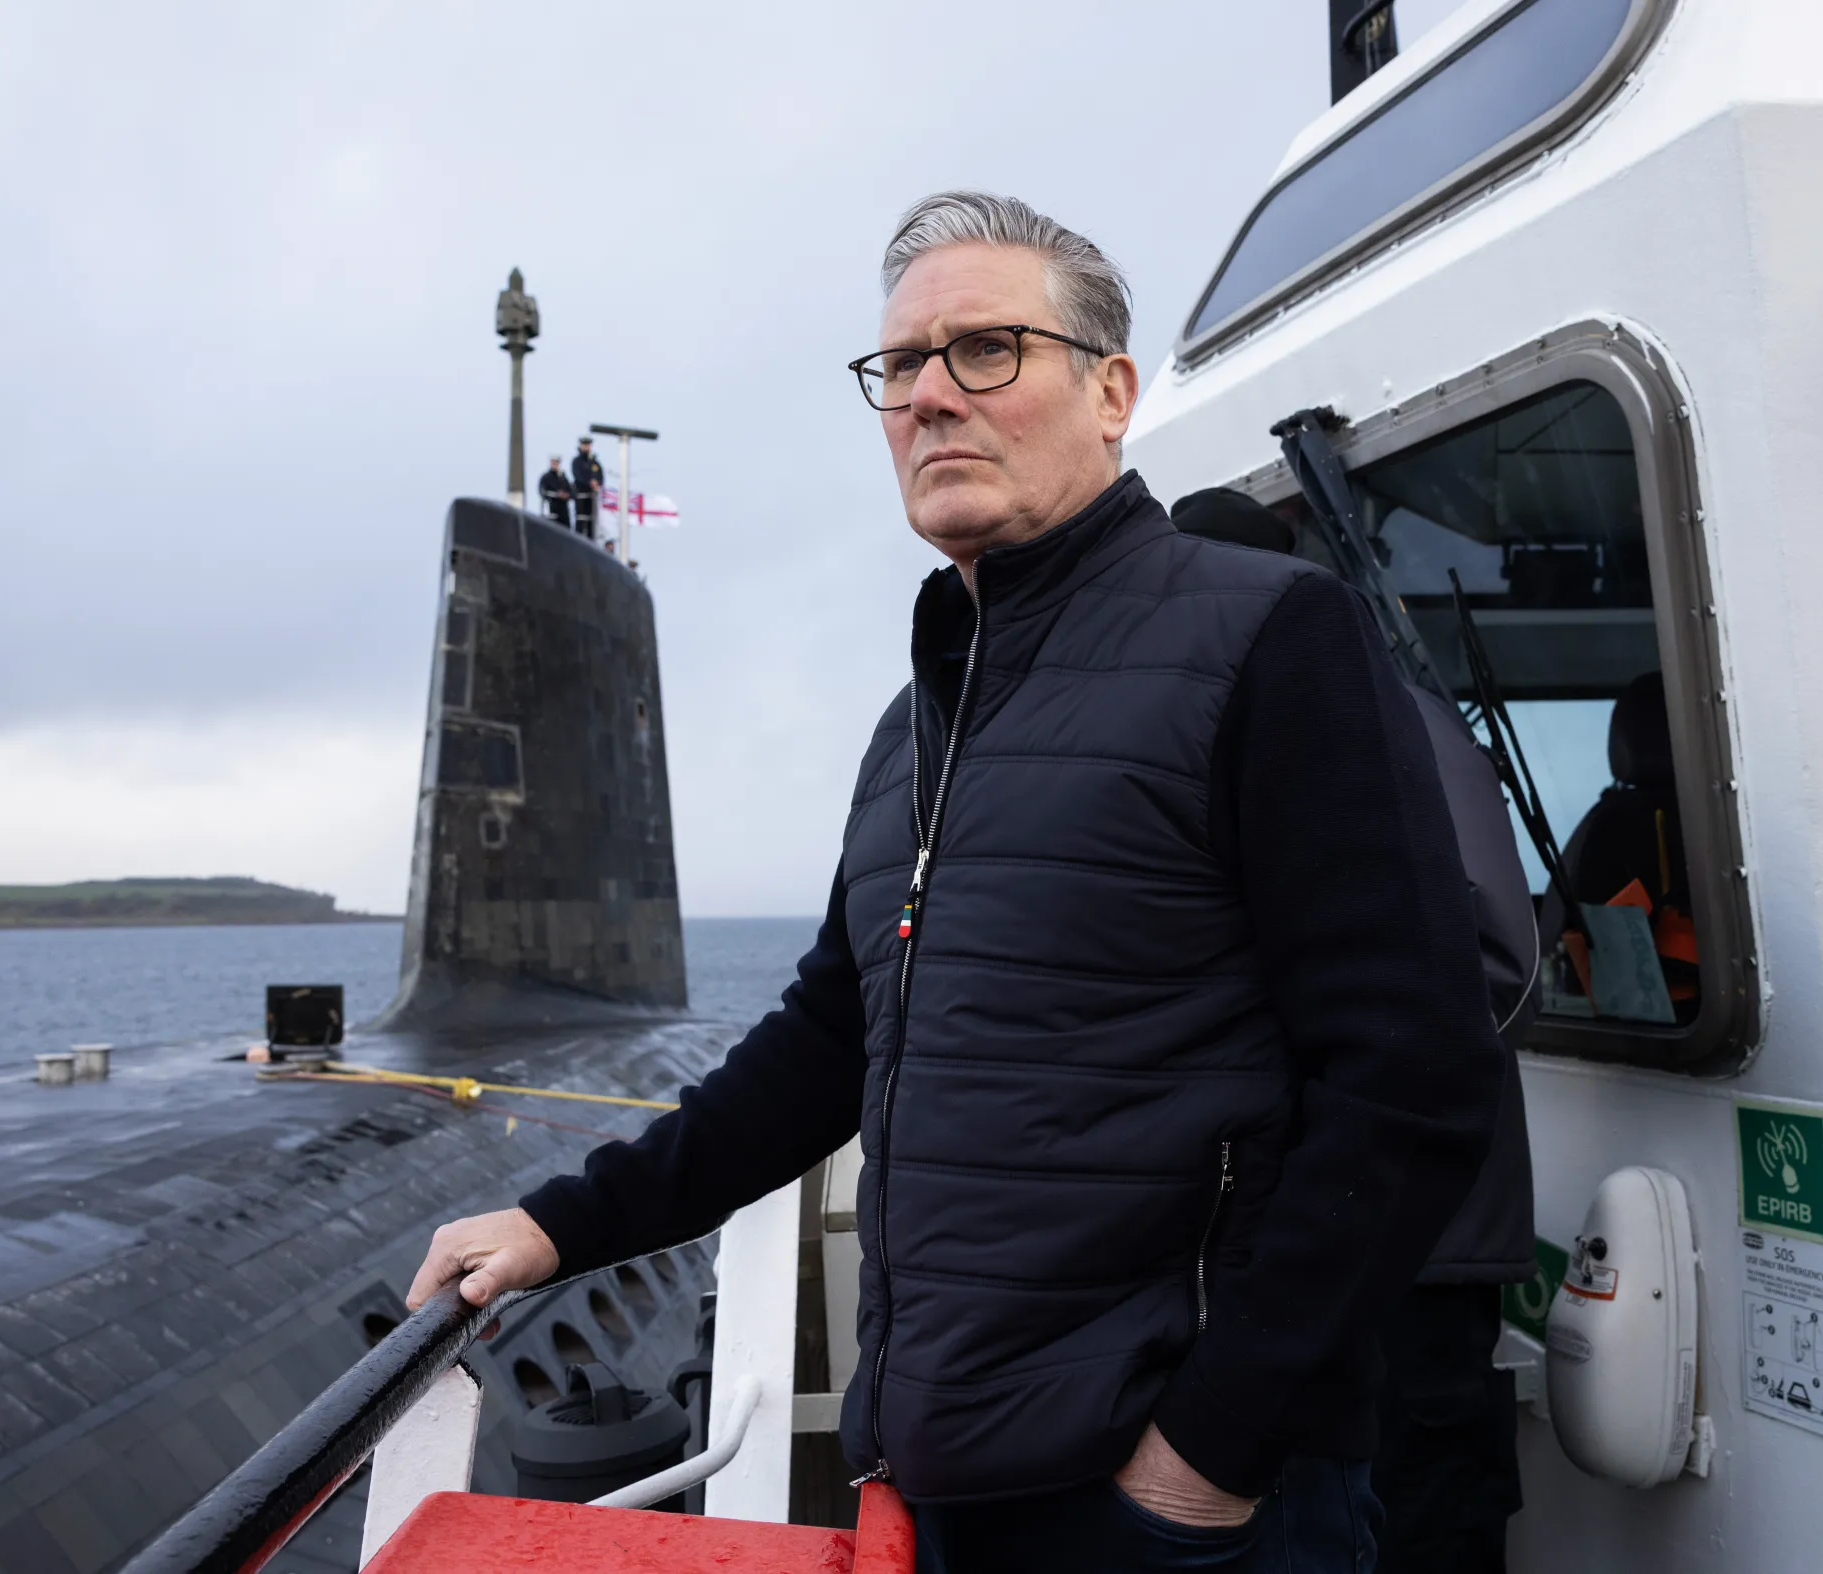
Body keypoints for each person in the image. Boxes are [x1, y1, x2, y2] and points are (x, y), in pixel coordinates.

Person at [409, 191, 1505, 1573]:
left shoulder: (1269, 639)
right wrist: (566, 1220)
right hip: (957, 1471)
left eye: (986, 348)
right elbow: (829, 1035)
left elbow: (1413, 1076)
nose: (931, 396)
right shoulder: (917, 722)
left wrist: (1210, 1454)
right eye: (901, 366)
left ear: (1110, 391)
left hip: (1177, 1499)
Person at [1170, 487, 1536, 1573]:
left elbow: (1494, 975)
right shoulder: (1228, 724)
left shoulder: (1388, 719)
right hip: (1304, 1238)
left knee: (1421, 1515)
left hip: (1416, 1240)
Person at [570, 436, 605, 540]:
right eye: (584, 445)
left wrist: (597, 483)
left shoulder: (595, 463)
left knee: (591, 522)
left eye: (588, 445)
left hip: (592, 496)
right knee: (581, 520)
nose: (586, 447)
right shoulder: (577, 462)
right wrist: (589, 482)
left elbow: (600, 476)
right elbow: (578, 475)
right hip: (581, 495)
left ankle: (591, 540)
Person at [538, 455, 574, 528]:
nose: (555, 464)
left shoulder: (563, 478)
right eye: (553, 462)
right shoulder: (546, 477)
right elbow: (542, 492)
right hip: (551, 509)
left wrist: (567, 495)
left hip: (563, 511)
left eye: (556, 463)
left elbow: (571, 492)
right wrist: (556, 495)